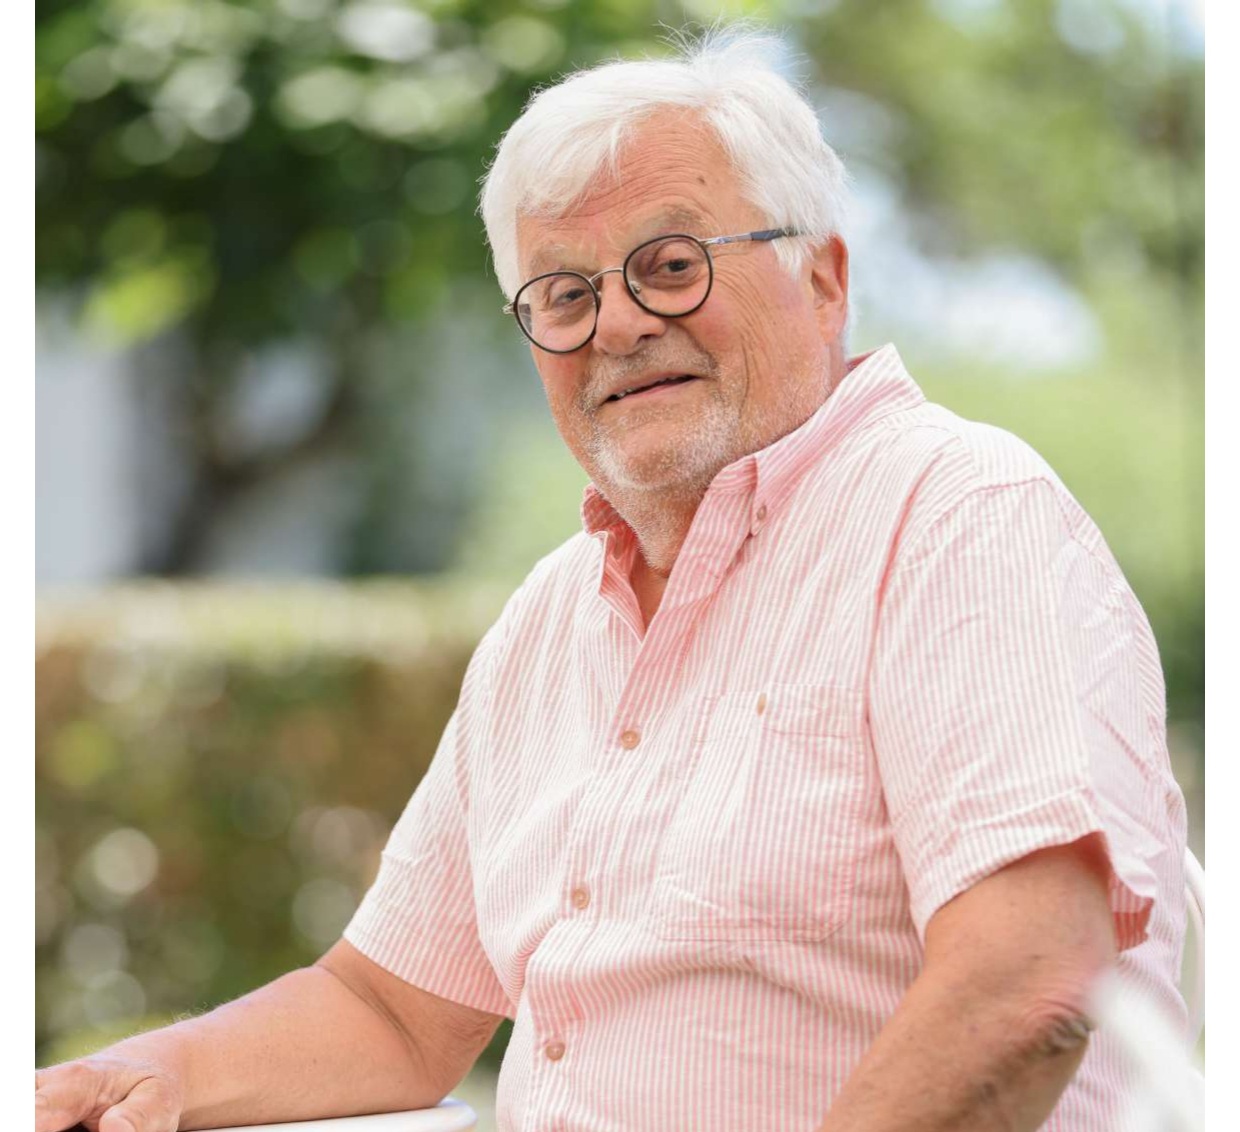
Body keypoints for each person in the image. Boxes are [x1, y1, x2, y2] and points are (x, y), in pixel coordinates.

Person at [36, 29, 1189, 1132]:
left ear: (824, 280)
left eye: (672, 265)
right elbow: (389, 1009)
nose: (620, 322)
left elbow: (1028, 986)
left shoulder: (956, 514)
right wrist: (138, 1073)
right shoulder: (552, 614)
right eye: (565, 295)